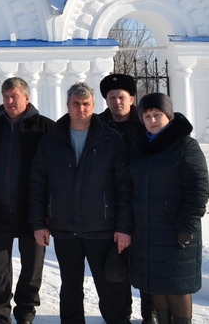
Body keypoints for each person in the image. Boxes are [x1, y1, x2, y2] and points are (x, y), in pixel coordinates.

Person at [29, 82, 132, 324]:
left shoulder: (111, 139)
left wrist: (124, 227)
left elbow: (123, 187)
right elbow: (37, 184)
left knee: (109, 288)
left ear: (94, 106)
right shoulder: (52, 139)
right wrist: (38, 223)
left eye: (86, 104)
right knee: (70, 288)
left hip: (102, 228)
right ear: (68, 105)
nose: (81, 108)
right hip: (65, 228)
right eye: (76, 103)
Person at [0, 77, 53, 324]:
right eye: (5, 97)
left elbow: (54, 173)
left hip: (33, 211)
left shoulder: (45, 128)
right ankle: (0, 311)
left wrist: (49, 210)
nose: (9, 101)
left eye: (14, 96)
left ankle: (25, 309)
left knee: (32, 265)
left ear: (26, 97)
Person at [128, 93, 209, 324]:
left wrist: (187, 225)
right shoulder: (138, 148)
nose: (153, 120)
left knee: (176, 286)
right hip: (146, 230)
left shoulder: (185, 146)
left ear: (169, 116)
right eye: (147, 116)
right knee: (155, 285)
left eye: (158, 115)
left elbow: (199, 190)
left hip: (175, 230)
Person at [98, 73, 154, 324]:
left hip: (142, 201)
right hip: (107, 203)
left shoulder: (145, 124)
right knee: (113, 265)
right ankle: (119, 315)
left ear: (132, 99)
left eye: (122, 97)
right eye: (112, 98)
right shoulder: (97, 124)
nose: (117, 102)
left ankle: (150, 313)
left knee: (144, 262)